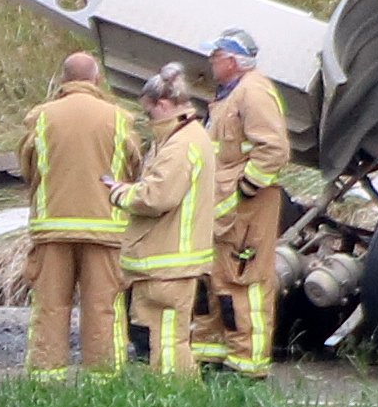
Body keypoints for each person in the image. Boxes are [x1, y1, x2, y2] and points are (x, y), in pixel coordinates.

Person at [18, 50, 136, 378]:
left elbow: (29, 168)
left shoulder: (40, 117)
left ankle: (45, 380)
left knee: (50, 307)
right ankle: (104, 382)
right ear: (96, 80)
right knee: (103, 308)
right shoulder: (119, 118)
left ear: (64, 80)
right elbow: (133, 166)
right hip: (104, 229)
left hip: (52, 228)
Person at [199, 29, 292, 379]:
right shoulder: (230, 95)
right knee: (218, 280)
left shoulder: (253, 92)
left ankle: (247, 367)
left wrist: (245, 189)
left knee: (244, 281)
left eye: (216, 54)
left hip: (247, 210)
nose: (210, 60)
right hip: (226, 209)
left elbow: (273, 149)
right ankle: (215, 357)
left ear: (233, 60)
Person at [118, 65, 216, 374]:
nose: (148, 122)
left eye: (148, 114)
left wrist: (120, 194)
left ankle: (175, 402)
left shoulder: (181, 144)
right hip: (170, 261)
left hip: (168, 262)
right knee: (167, 339)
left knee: (168, 341)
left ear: (162, 105)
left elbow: (156, 197)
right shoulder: (184, 138)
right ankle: (173, 398)